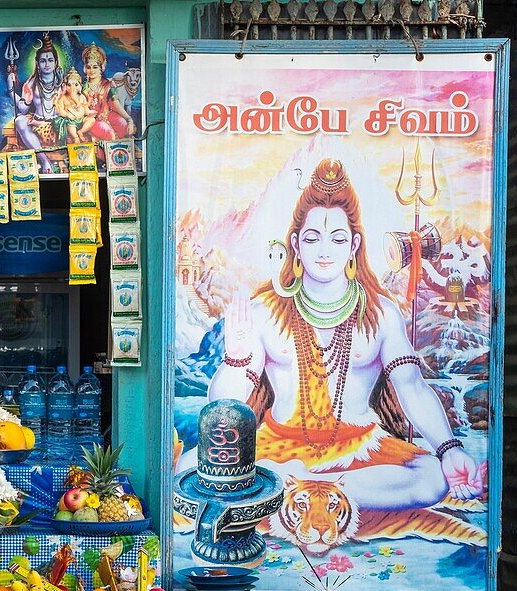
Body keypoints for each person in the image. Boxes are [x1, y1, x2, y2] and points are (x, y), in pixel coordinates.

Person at [201, 158, 483, 511]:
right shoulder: (264, 311)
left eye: (337, 239)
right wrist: (236, 357)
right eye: (312, 237)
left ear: (353, 246)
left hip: (361, 451)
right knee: (196, 467)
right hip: (280, 449)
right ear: (296, 244)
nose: (323, 251)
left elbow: (410, 386)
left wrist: (449, 448)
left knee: (432, 477)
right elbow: (224, 403)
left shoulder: (381, 312)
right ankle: (314, 492)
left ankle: (311, 491)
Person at [11, 33, 62, 172]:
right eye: (43, 61)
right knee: (19, 121)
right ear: (37, 63)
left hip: (58, 123)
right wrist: (11, 89)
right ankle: (44, 160)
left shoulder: (63, 82)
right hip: (38, 121)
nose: (47, 64)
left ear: (56, 62)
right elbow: (22, 110)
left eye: (50, 60)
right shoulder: (32, 83)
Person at [81, 43, 132, 141]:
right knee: (108, 131)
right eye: (88, 67)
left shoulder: (108, 84)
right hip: (89, 119)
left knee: (123, 123)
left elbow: (115, 104)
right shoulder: (82, 86)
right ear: (85, 68)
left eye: (95, 67)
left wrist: (128, 119)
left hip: (106, 115)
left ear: (102, 68)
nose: (91, 70)